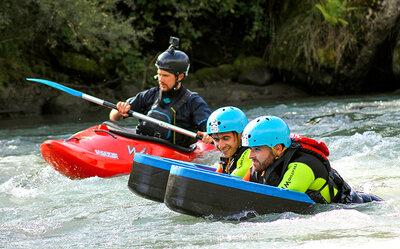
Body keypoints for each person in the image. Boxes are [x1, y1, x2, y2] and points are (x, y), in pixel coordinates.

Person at [241, 115, 382, 204]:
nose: (250, 156)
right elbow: (239, 186)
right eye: (250, 149)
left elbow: (278, 204)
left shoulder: (302, 166)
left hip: (362, 206)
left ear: (277, 148)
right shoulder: (263, 162)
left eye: (257, 149)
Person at [110, 37, 211, 148]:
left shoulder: (193, 102)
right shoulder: (149, 95)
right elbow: (114, 118)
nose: (161, 80)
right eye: (159, 74)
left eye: (166, 76)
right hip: (143, 148)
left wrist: (209, 134)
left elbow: (210, 129)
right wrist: (119, 110)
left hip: (176, 154)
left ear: (180, 76)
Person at [201, 106, 252, 178]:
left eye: (226, 138)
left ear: (241, 134)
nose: (221, 146)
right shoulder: (229, 155)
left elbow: (231, 182)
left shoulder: (250, 155)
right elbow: (217, 177)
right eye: (216, 139)